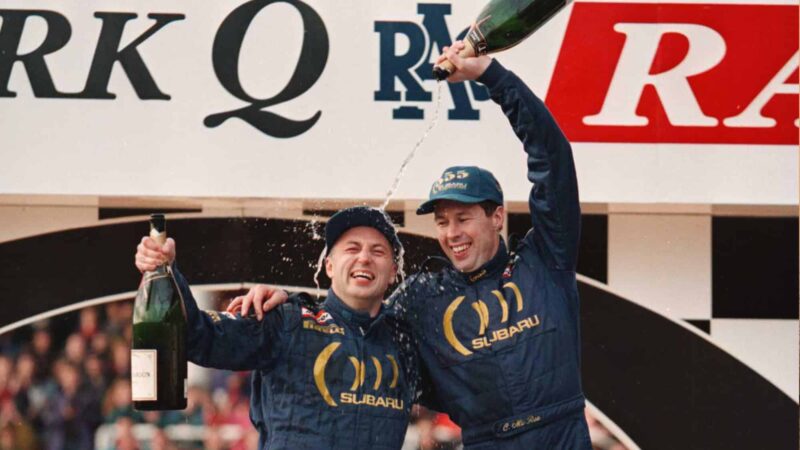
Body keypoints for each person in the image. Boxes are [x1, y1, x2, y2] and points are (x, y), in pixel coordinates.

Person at [233, 43, 592, 448]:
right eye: (442, 222)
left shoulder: (545, 259)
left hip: (563, 434)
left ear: (497, 217)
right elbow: (353, 316)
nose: (451, 233)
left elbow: (552, 156)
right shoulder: (423, 297)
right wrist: (292, 303)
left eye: (463, 218)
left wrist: (492, 75)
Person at [134, 207, 416, 450]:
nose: (364, 258)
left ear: (393, 271)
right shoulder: (287, 320)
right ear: (329, 266)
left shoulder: (407, 341)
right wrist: (167, 272)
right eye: (352, 248)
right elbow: (198, 337)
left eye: (377, 251)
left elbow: (459, 389)